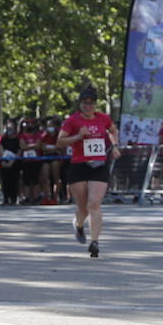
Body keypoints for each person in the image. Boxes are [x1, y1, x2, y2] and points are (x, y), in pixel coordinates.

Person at [57, 86, 119, 258]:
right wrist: (77, 137)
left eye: (91, 103)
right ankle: (78, 224)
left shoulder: (103, 118)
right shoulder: (72, 121)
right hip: (78, 166)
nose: (88, 106)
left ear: (95, 104)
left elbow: (112, 130)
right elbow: (60, 142)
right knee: (83, 208)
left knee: (94, 204)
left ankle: (95, 242)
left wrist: (114, 146)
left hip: (98, 165)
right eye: (85, 103)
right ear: (80, 104)